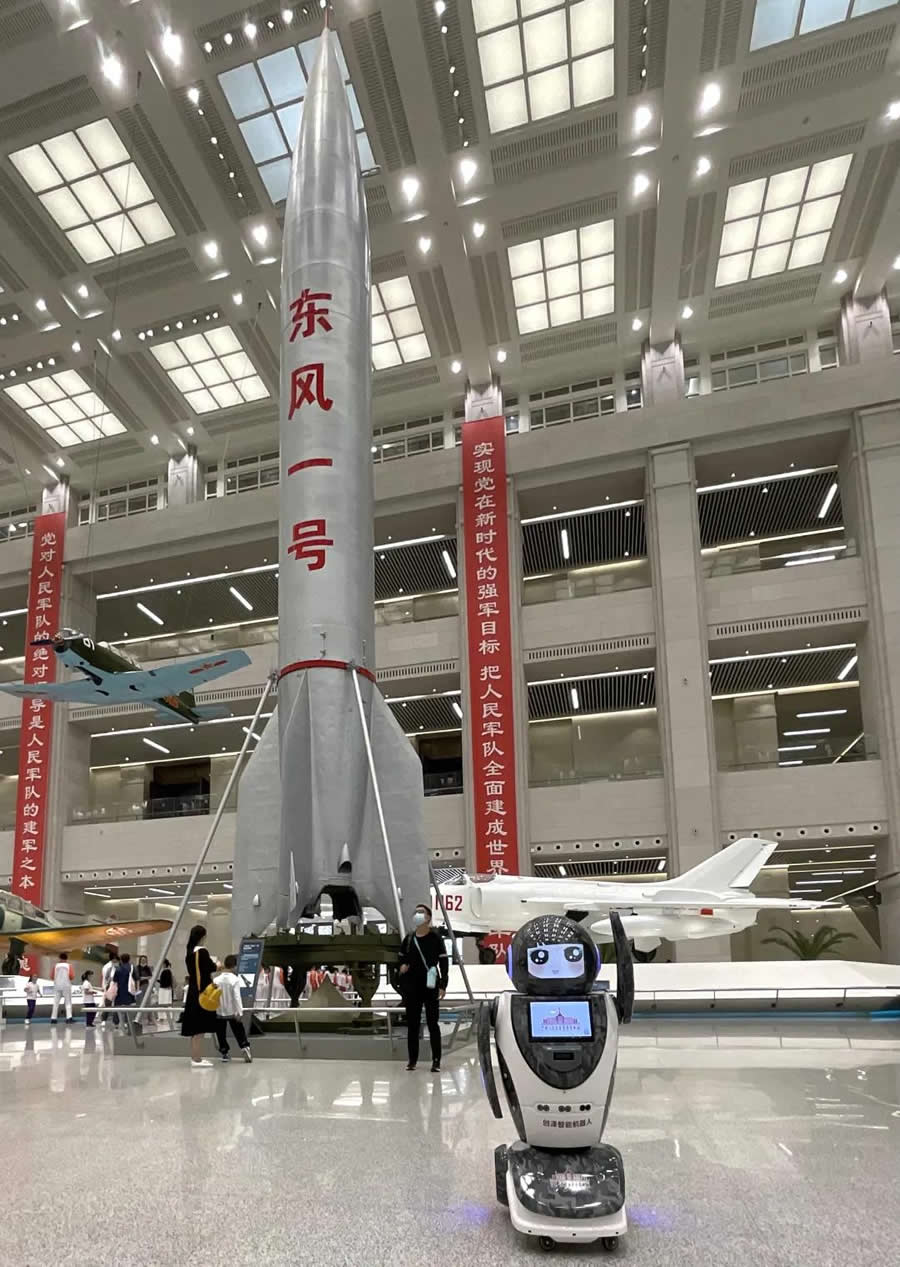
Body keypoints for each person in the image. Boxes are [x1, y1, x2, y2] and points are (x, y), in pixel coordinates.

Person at [398, 903, 449, 1073]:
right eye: (416, 912)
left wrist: (443, 984)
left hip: (430, 984)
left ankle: (436, 1060)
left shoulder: (435, 938)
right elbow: (401, 958)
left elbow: (443, 962)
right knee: (412, 1024)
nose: (417, 915)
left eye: (421, 912)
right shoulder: (409, 939)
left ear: (428, 918)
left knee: (433, 1023)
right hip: (412, 986)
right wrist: (402, 966)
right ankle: (412, 1060)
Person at [182, 924, 218, 1068]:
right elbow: (211, 967)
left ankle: (195, 1057)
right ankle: (197, 1059)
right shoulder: (202, 952)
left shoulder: (189, 952)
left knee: (194, 1029)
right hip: (202, 992)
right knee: (199, 1028)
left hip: (193, 991)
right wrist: (218, 964)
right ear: (202, 937)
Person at [213, 954, 252, 1063]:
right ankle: (244, 1046)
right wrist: (239, 1012)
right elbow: (237, 997)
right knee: (239, 1030)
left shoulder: (216, 980)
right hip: (232, 1011)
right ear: (234, 966)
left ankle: (224, 1052)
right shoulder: (235, 979)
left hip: (219, 1011)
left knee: (221, 1033)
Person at [50, 952, 74, 1024]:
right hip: (66, 986)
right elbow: (71, 976)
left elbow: (52, 976)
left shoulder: (55, 966)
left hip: (57, 986)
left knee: (55, 1003)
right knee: (68, 1002)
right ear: (66, 959)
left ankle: (53, 1018)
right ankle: (69, 1018)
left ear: (60, 958)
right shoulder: (69, 966)